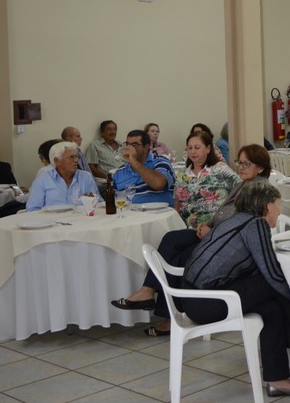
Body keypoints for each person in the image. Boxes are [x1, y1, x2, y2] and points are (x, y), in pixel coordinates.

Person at [112, 144, 272, 336]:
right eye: (239, 162)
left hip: (223, 244)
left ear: (260, 168)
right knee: (171, 238)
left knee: (180, 258)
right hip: (213, 233)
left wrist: (212, 232)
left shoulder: (258, 190)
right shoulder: (243, 184)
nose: (241, 167)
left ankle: (169, 317)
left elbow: (239, 225)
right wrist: (209, 225)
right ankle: (148, 290)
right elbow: (223, 211)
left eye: (247, 163)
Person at [181, 180, 290, 397]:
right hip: (206, 301)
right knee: (276, 284)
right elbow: (272, 274)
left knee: (272, 308)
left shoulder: (236, 220)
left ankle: (278, 379)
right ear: (266, 206)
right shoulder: (255, 225)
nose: (280, 210)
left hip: (192, 296)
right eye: (278, 204)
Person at [174, 131, 240, 228]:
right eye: (189, 148)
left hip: (216, 225)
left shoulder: (220, 169)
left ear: (208, 149)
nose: (193, 152)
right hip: (188, 227)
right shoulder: (182, 175)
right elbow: (178, 205)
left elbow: (242, 188)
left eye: (197, 148)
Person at [26, 142, 99, 211]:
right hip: (52, 221)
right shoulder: (43, 179)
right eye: (71, 157)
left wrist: (92, 201)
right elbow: (32, 209)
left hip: (81, 220)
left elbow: (98, 203)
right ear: (57, 161)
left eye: (76, 157)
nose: (76, 160)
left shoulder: (86, 177)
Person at [112, 129, 175, 204]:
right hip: (130, 214)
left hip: (158, 214)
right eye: (127, 144)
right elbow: (114, 199)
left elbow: (158, 184)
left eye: (134, 145)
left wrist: (134, 162)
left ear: (146, 148)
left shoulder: (161, 162)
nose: (129, 148)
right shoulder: (120, 172)